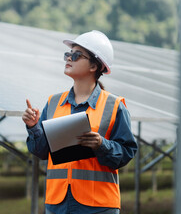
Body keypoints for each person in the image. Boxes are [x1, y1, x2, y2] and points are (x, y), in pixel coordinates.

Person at [23, 30, 137, 214]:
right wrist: (33, 127)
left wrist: (102, 144)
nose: (69, 58)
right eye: (68, 54)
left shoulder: (114, 106)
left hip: (98, 206)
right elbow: (41, 151)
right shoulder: (53, 102)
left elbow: (126, 153)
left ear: (94, 66)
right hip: (57, 203)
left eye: (76, 55)